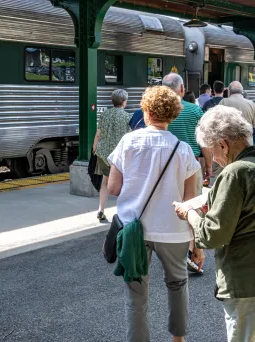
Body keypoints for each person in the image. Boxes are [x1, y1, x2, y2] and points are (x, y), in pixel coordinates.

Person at [108, 86, 201, 342]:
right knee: (178, 285)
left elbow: (114, 187)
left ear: (146, 112)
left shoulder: (128, 142)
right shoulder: (183, 149)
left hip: (134, 231)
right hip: (174, 230)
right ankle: (178, 340)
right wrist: (197, 244)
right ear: (172, 115)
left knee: (136, 295)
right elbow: (191, 200)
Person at [173, 105, 255, 342]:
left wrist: (188, 213)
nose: (214, 158)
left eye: (212, 150)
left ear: (223, 143)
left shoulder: (235, 173)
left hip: (244, 280)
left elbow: (213, 234)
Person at [162, 73, 212, 274]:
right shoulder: (194, 110)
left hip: (166, 167)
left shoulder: (159, 112)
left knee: (171, 205)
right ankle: (195, 250)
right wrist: (208, 166)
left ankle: (174, 248)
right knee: (193, 206)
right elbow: (204, 142)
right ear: (182, 89)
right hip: (191, 166)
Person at [92, 89, 131, 221]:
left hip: (103, 154)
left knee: (105, 182)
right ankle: (121, 213)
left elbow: (98, 134)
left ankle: (101, 210)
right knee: (122, 185)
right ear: (124, 102)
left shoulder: (105, 115)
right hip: (119, 157)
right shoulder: (127, 117)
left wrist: (94, 148)